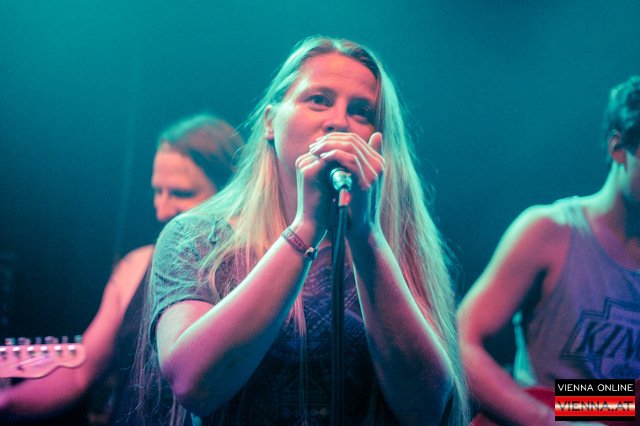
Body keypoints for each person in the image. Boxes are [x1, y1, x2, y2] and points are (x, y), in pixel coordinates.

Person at [141, 35, 468, 426]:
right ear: (269, 121)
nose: (338, 121)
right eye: (318, 99)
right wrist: (306, 227)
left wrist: (366, 235)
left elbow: (426, 408)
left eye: (361, 111)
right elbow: (193, 384)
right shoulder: (197, 236)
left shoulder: (398, 243)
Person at [0, 113, 244, 424]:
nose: (161, 211)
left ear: (229, 190)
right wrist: (6, 401)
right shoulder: (136, 265)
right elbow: (80, 373)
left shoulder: (253, 269)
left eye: (181, 194)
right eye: (157, 191)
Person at [457, 75, 640, 425]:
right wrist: (545, 419)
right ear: (619, 148)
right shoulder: (550, 230)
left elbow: (610, 402)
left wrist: (591, 409)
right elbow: (462, 342)